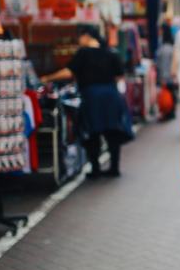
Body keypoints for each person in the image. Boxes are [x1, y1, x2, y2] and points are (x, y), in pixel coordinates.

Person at [41, 25, 134, 178]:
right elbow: (119, 75)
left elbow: (68, 72)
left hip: (92, 97)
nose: (79, 40)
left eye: (80, 36)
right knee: (112, 132)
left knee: (92, 132)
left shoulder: (83, 53)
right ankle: (114, 168)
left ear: (87, 36)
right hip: (111, 96)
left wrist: (46, 78)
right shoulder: (110, 52)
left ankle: (95, 168)